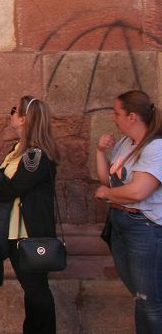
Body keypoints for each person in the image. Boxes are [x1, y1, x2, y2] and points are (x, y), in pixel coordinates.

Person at [0, 96, 59, 334]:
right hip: (13, 232)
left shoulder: (36, 156)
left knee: (37, 291)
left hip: (29, 234)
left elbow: (14, 186)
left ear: (23, 119)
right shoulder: (18, 150)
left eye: (14, 111)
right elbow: (1, 176)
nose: (10, 114)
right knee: (31, 291)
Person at [93, 90, 162, 333]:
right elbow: (108, 180)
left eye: (117, 113)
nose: (114, 118)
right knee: (140, 296)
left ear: (132, 117)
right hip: (121, 223)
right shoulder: (125, 143)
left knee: (150, 301)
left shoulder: (155, 148)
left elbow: (138, 192)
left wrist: (107, 194)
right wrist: (100, 151)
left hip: (144, 227)